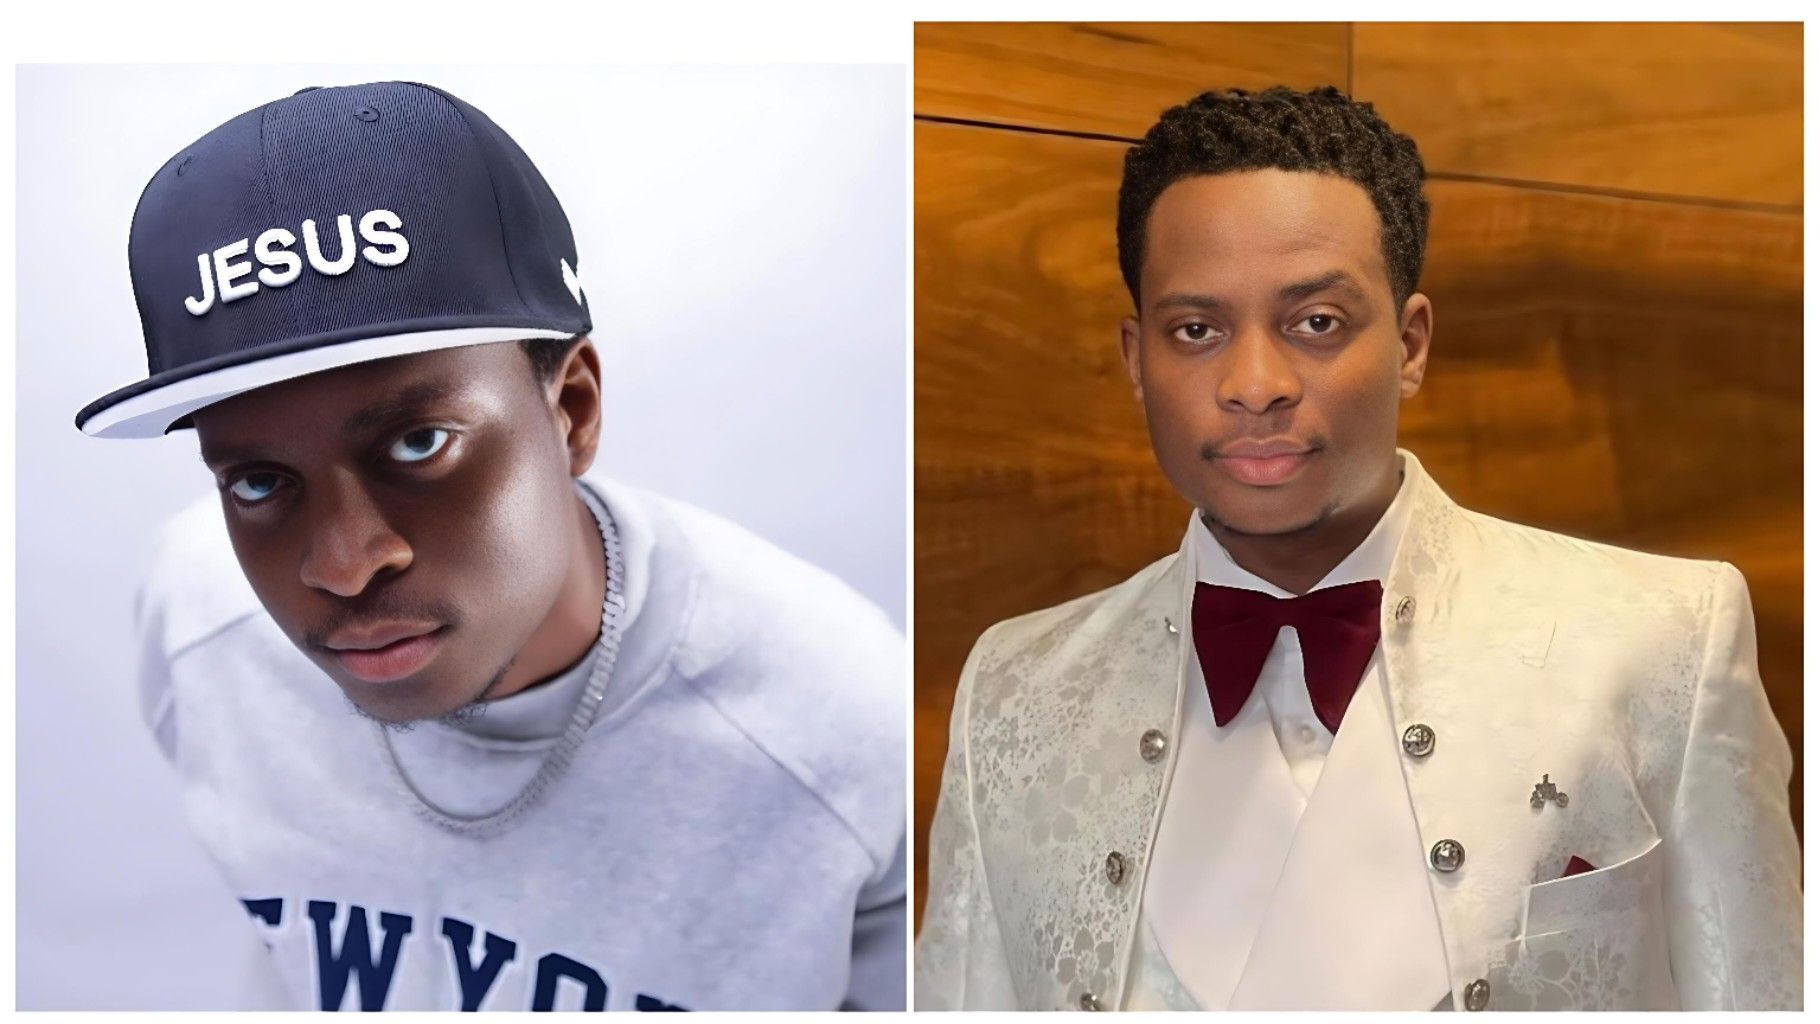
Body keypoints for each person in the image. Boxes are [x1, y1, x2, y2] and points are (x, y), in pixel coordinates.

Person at [912, 85, 1801, 1012]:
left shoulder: (1661, 638)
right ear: (1138, 359)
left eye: (1316, 323)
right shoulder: (1016, 690)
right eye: (1197, 330)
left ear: (1410, 345)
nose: (1255, 383)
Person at [79, 81, 905, 1011]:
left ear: (572, 411)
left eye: (418, 444)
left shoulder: (837, 724)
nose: (343, 564)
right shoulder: (198, 619)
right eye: (260, 482)